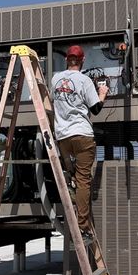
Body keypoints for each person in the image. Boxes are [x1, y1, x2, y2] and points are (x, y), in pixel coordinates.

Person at [50, 44, 109, 242]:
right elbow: (96, 109)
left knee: (72, 177)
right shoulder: (84, 81)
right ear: (82, 60)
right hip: (82, 136)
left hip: (63, 138)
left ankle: (70, 214)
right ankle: (83, 227)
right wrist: (102, 93)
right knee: (83, 180)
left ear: (67, 59)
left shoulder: (55, 79)